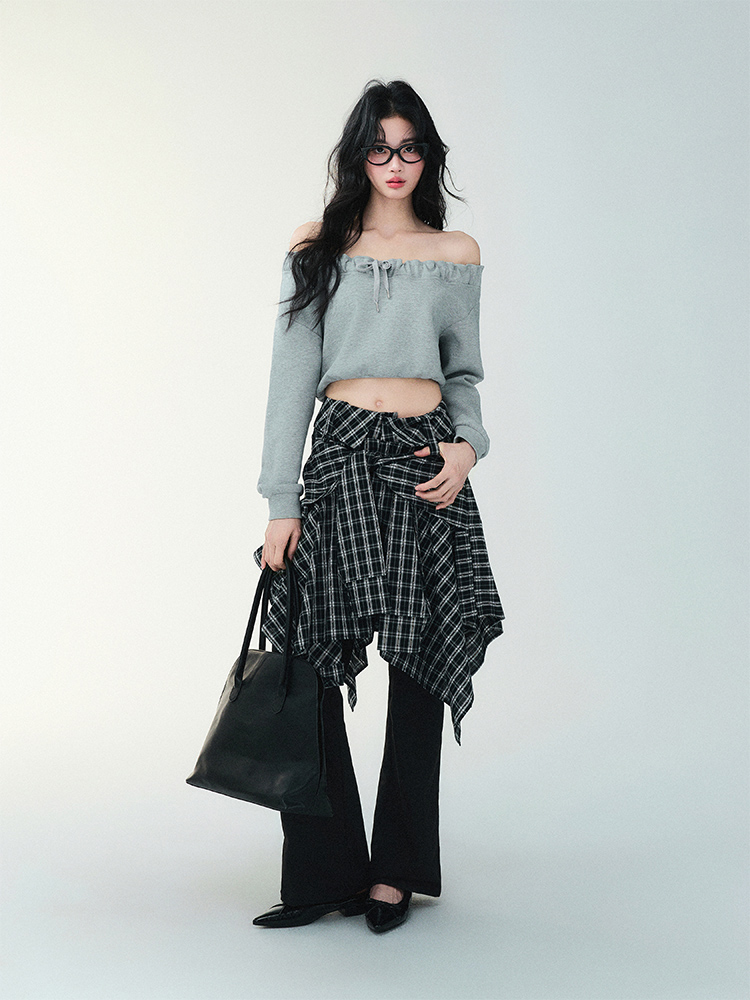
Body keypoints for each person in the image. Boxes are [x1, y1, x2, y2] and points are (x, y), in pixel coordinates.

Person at [251, 78, 505, 933]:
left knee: (421, 664)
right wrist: (281, 500)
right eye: (379, 148)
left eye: (410, 148)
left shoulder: (456, 251)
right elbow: (291, 378)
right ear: (358, 156)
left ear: (427, 156)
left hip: (425, 463)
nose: (395, 164)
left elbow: (463, 375)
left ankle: (396, 871)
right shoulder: (317, 246)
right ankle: (323, 873)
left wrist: (468, 449)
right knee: (311, 659)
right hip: (339, 460)